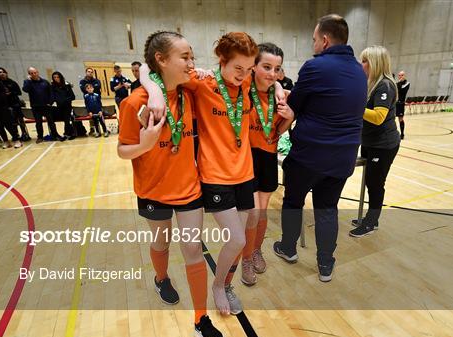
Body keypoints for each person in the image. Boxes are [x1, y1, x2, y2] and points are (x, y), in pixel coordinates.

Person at [141, 32, 260, 315]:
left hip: (245, 175)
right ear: (222, 61)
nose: (243, 76)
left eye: (249, 69)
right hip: (215, 178)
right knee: (238, 240)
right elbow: (148, 67)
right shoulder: (203, 81)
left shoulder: (246, 85)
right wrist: (154, 90)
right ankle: (218, 286)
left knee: (238, 239)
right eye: (237, 69)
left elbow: (271, 83)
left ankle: (226, 285)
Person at [118, 30, 223, 337]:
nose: (192, 62)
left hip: (190, 190)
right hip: (152, 191)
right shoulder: (134, 103)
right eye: (186, 57)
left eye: (193, 56)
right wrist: (145, 143)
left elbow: (215, 83)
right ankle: (161, 278)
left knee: (193, 249)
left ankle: (200, 319)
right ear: (162, 60)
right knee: (161, 243)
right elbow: (123, 150)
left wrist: (199, 74)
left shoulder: (189, 94)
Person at [273, 14, 367, 282]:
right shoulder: (360, 71)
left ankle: (288, 248)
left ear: (325, 40)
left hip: (309, 155)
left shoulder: (315, 67)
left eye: (314, 39)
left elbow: (295, 108)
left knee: (293, 200)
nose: (313, 44)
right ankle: (326, 263)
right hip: (343, 157)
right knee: (327, 207)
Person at [240, 43, 295, 286]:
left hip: (268, 156)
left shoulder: (279, 95)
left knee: (261, 212)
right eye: (266, 67)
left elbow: (277, 130)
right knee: (251, 213)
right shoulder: (242, 88)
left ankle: (255, 250)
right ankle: (245, 258)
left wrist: (290, 118)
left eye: (277, 69)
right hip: (246, 157)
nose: (272, 74)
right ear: (254, 66)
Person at [349, 45, 400, 238]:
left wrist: (354, 107)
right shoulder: (371, 84)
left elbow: (378, 116)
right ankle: (371, 218)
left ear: (375, 63)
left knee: (375, 183)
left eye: (364, 61)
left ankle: (371, 222)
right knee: (370, 181)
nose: (361, 64)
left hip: (384, 145)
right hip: (370, 142)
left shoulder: (385, 85)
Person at [23, 67, 65, 143]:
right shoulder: (27, 82)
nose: (34, 74)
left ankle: (55, 135)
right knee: (38, 123)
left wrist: (50, 102)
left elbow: (51, 93)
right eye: (31, 73)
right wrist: (29, 81)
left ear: (37, 72)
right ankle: (40, 137)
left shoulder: (45, 82)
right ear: (29, 74)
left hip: (46, 106)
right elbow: (25, 89)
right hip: (36, 107)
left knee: (51, 122)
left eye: (35, 72)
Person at [0, 67, 30, 141]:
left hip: (15, 103)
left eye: (2, 72)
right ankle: (15, 135)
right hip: (5, 105)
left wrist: (10, 93)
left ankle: (24, 133)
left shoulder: (12, 82)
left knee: (20, 119)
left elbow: (19, 92)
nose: (1, 74)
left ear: (6, 73)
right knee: (12, 121)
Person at [51, 71, 76, 140]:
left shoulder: (67, 85)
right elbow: (53, 97)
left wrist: (65, 100)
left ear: (60, 77)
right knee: (63, 120)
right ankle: (62, 134)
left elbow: (73, 96)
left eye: (58, 77)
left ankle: (68, 134)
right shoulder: (52, 87)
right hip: (59, 107)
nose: (56, 79)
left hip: (67, 106)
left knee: (67, 120)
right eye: (54, 77)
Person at [79, 67, 102, 135]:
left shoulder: (97, 80)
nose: (90, 73)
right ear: (86, 72)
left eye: (91, 72)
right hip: (88, 100)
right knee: (91, 114)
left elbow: (98, 87)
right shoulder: (82, 81)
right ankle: (92, 128)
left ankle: (102, 128)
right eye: (89, 71)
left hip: (97, 99)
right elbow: (83, 89)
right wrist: (92, 88)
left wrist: (89, 89)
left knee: (99, 113)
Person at [396, 71, 410, 139]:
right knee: (391, 119)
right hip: (395, 103)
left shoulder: (407, 83)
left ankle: (402, 134)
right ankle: (393, 133)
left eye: (402, 75)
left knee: (400, 119)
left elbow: (402, 90)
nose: (400, 77)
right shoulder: (397, 83)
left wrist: (398, 83)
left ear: (404, 76)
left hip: (401, 103)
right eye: (399, 75)